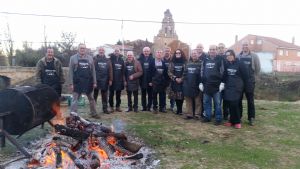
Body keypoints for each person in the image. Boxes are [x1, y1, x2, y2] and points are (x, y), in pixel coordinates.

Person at [69, 43, 99, 118]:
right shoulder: (73, 58)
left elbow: (93, 71)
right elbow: (70, 72)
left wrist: (94, 82)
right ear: (78, 49)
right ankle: (73, 116)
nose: (82, 49)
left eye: (84, 48)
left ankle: (94, 113)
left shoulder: (90, 58)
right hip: (77, 82)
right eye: (81, 48)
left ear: (86, 49)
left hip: (88, 82)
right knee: (75, 100)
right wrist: (71, 83)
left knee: (91, 99)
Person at [223, 49, 249, 129]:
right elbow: (225, 75)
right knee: (230, 104)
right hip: (229, 86)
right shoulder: (227, 64)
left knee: (235, 103)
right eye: (227, 56)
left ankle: (237, 121)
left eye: (230, 55)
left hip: (238, 87)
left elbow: (246, 76)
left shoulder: (240, 63)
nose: (229, 57)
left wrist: (244, 87)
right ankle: (231, 120)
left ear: (234, 55)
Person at [199, 45, 224, 125]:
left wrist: (222, 83)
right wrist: (201, 82)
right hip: (206, 85)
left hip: (216, 86)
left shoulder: (220, 59)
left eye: (213, 49)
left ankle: (218, 118)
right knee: (206, 102)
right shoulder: (205, 60)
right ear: (208, 51)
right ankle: (208, 117)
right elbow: (202, 71)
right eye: (210, 49)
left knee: (217, 103)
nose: (212, 51)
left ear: (216, 50)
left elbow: (223, 72)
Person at [238, 40, 261, 126]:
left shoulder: (254, 56)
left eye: (246, 45)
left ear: (249, 46)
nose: (245, 46)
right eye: (243, 45)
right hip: (240, 81)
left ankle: (251, 118)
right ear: (242, 46)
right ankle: (239, 116)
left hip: (250, 81)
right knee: (238, 99)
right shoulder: (238, 56)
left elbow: (258, 68)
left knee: (250, 100)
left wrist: (254, 79)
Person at [183, 49, 202, 120]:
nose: (194, 55)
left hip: (197, 84)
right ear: (191, 55)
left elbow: (202, 74)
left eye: (195, 53)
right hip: (188, 84)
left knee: (198, 101)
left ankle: (197, 114)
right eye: (193, 53)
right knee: (188, 100)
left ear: (198, 54)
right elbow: (184, 73)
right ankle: (189, 114)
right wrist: (184, 82)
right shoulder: (187, 63)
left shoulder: (201, 63)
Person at [93, 47, 113, 114]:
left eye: (102, 50)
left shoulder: (108, 60)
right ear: (98, 51)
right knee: (94, 95)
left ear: (104, 52)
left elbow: (110, 70)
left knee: (104, 95)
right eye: (100, 50)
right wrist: (93, 80)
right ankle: (93, 109)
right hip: (96, 80)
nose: (101, 51)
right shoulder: (95, 59)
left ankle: (105, 109)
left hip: (105, 80)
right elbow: (92, 70)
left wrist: (110, 79)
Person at [168, 49, 186, 115]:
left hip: (182, 82)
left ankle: (180, 110)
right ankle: (178, 110)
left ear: (181, 54)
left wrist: (182, 79)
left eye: (179, 53)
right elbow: (169, 72)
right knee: (176, 96)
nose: (178, 54)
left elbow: (186, 72)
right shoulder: (172, 62)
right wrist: (175, 78)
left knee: (181, 96)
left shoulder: (185, 62)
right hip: (174, 81)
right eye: (176, 53)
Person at [138, 47, 155, 111]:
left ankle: (149, 106)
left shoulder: (153, 59)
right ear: (143, 52)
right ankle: (144, 107)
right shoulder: (139, 59)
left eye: (147, 51)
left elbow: (154, 71)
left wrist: (152, 81)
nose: (146, 52)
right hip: (142, 80)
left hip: (150, 81)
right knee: (143, 95)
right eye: (145, 51)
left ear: (150, 52)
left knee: (150, 95)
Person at [108, 48, 126, 112]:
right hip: (112, 80)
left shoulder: (122, 60)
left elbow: (123, 70)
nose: (116, 52)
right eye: (115, 51)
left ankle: (118, 107)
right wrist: (110, 79)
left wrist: (123, 80)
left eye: (117, 51)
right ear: (114, 52)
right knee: (111, 94)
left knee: (118, 94)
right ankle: (111, 107)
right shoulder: (110, 59)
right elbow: (109, 70)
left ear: (119, 52)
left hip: (119, 80)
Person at [218, 43, 229, 120]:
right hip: (218, 81)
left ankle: (225, 114)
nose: (220, 49)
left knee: (226, 99)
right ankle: (217, 112)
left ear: (225, 48)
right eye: (219, 48)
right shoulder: (216, 57)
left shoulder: (228, 57)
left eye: (222, 47)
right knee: (218, 99)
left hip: (227, 81)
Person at [163, 47, 175, 112]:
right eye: (166, 51)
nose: (167, 52)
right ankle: (164, 106)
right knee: (163, 93)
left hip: (171, 79)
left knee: (172, 93)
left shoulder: (173, 60)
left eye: (168, 51)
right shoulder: (162, 59)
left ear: (170, 52)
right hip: (163, 79)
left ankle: (172, 106)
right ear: (164, 51)